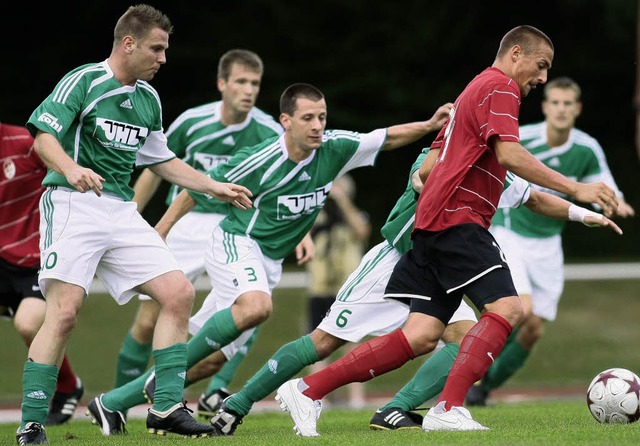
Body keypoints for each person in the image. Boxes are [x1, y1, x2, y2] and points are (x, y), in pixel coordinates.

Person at [274, 24, 620, 435]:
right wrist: (577, 188)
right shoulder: (501, 88)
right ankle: (448, 408)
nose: (542, 78)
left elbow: (429, 164)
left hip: (431, 223)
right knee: (508, 309)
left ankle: (309, 388)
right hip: (459, 219)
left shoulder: (473, 90)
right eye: (540, 65)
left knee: (421, 335)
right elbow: (509, 153)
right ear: (515, 53)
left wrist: (443, 182)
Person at [83, 82, 453, 436]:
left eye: (322, 117)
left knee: (210, 361)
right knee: (257, 306)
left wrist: (430, 125)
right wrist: (160, 232)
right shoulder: (262, 159)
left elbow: (386, 137)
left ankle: (113, 401)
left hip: (269, 261)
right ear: (285, 122)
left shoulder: (335, 148)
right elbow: (196, 190)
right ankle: (163, 400)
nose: (317, 126)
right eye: (308, 118)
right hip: (238, 242)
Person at [206, 145, 621, 437]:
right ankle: (237, 406)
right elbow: (423, 177)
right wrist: (430, 181)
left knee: (461, 339)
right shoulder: (441, 151)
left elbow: (533, 199)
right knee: (323, 340)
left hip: (441, 267)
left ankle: (395, 409)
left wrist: (584, 215)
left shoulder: (498, 168)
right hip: (393, 261)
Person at [15, 5, 253, 444]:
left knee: (178, 293)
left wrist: (213, 186)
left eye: (165, 50)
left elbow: (162, 159)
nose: (163, 58)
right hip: (74, 204)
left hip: (121, 210)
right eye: (156, 49)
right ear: (129, 43)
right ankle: (31, 422)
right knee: (64, 313)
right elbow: (43, 135)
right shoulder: (84, 80)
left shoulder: (148, 98)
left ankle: (165, 408)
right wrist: (70, 169)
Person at [111, 48, 283, 419]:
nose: (248, 90)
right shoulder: (192, 121)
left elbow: (281, 183)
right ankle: (117, 403)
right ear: (222, 84)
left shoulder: (269, 130)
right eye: (240, 81)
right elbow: (154, 164)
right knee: (146, 320)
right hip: (185, 224)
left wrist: (301, 234)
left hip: (234, 229)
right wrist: (130, 218)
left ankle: (204, 391)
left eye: (254, 83)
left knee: (247, 308)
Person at [465, 77, 635, 407]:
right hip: (509, 230)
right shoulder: (522, 139)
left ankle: (482, 389)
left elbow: (605, 187)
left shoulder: (586, 148)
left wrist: (616, 202)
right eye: (555, 102)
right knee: (521, 309)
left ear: (577, 109)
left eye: (567, 104)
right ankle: (463, 365)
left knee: (533, 331)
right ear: (545, 107)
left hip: (547, 244)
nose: (560, 109)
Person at [1, 122, 84, 427]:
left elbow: (66, 175)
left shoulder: (25, 141)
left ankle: (67, 386)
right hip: (2, 260)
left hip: (35, 256)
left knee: (28, 324)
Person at [306, 173, 371, 408]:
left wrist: (343, 201)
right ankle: (318, 397)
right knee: (317, 343)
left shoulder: (355, 214)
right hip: (320, 287)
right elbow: (301, 233)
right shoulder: (317, 217)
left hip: (348, 289)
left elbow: (362, 231)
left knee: (353, 342)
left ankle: (356, 398)